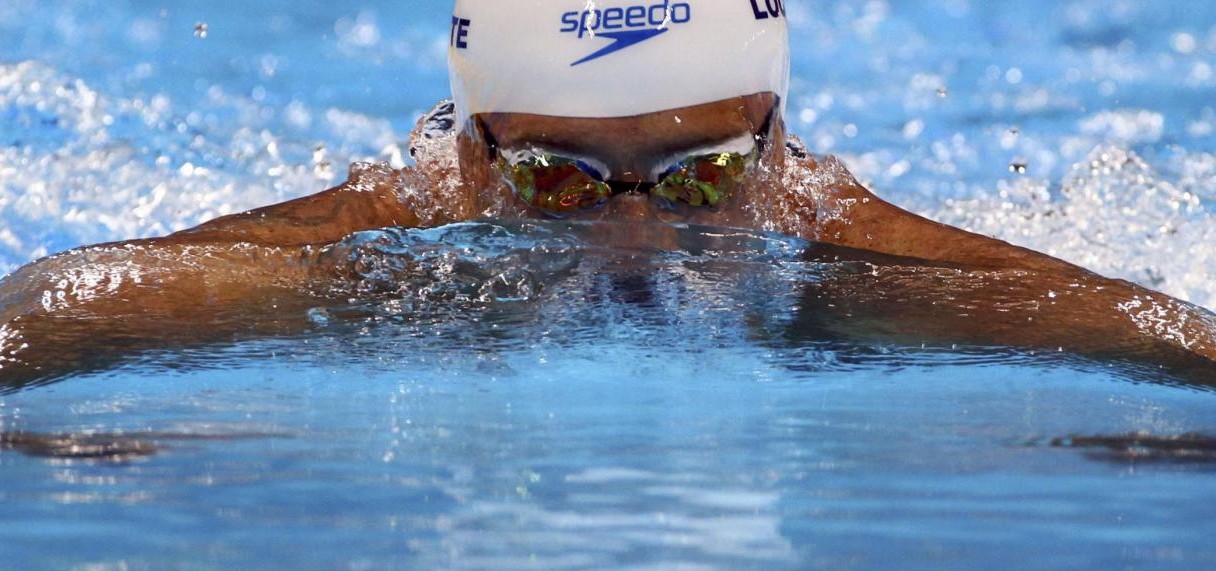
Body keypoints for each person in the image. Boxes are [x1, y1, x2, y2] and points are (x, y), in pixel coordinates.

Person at [0, 0, 1214, 388]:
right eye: (556, 181)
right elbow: (56, 300)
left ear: (776, 148)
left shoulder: (844, 253)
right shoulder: (388, 236)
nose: (636, 231)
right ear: (473, 163)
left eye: (702, 178)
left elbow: (1136, 327)